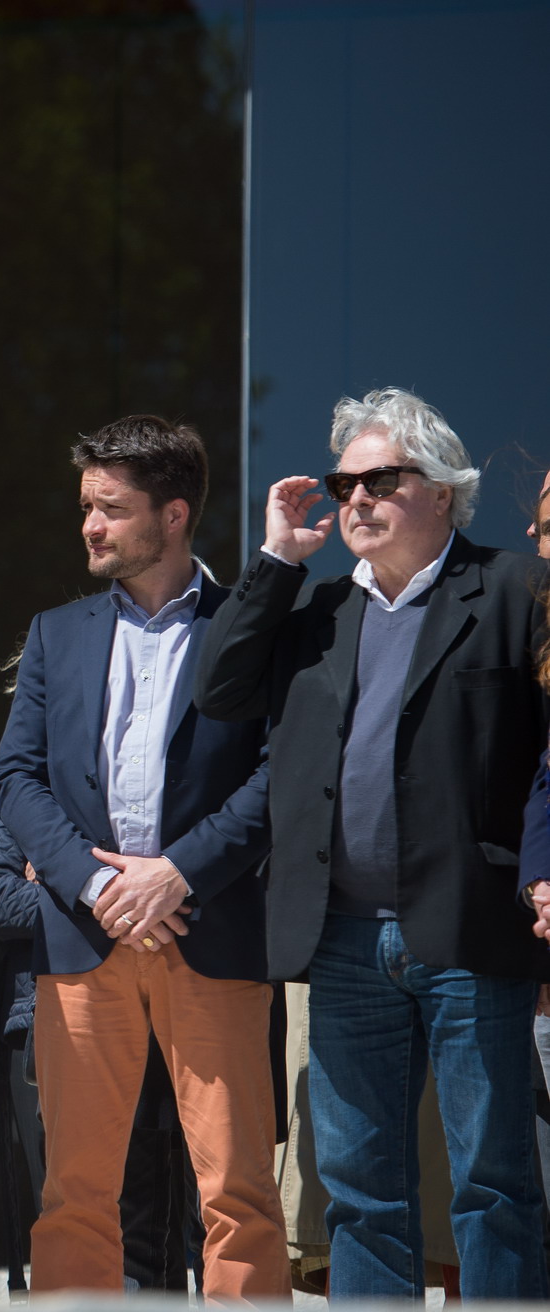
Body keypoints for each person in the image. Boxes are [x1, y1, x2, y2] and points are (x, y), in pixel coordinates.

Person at [195, 387, 550, 1299]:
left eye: (380, 480)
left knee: (493, 1184)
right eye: (341, 483)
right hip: (343, 940)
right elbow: (219, 690)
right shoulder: (314, 612)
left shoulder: (516, 590)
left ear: (441, 489)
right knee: (358, 1192)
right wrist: (276, 559)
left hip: (471, 931)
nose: (355, 498)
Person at [0, 415, 287, 1297]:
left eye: (110, 509)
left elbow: (279, 774)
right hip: (85, 941)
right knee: (74, 1195)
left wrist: (176, 875)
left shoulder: (250, 624)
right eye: (85, 507)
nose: (89, 526)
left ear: (172, 514)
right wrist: (96, 884)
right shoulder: (56, 632)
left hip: (209, 931)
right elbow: (14, 776)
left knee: (237, 1194)